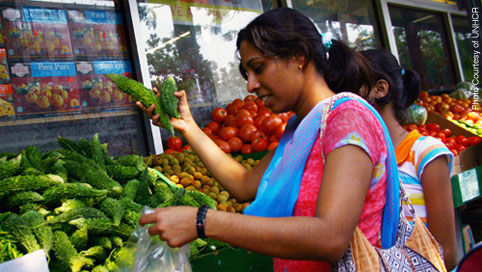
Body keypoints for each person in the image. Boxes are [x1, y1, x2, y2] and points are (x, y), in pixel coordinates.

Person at [137, 8, 401, 271]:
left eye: (258, 68)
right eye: (247, 73)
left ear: (299, 56)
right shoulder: (301, 129)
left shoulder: (347, 120)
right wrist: (188, 128)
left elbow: (331, 237)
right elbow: (244, 184)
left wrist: (202, 222)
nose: (251, 85)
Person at [358, 49, 457, 270]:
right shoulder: (355, 161)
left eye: (349, 86)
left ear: (380, 89)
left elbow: (446, 255)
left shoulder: (425, 153)